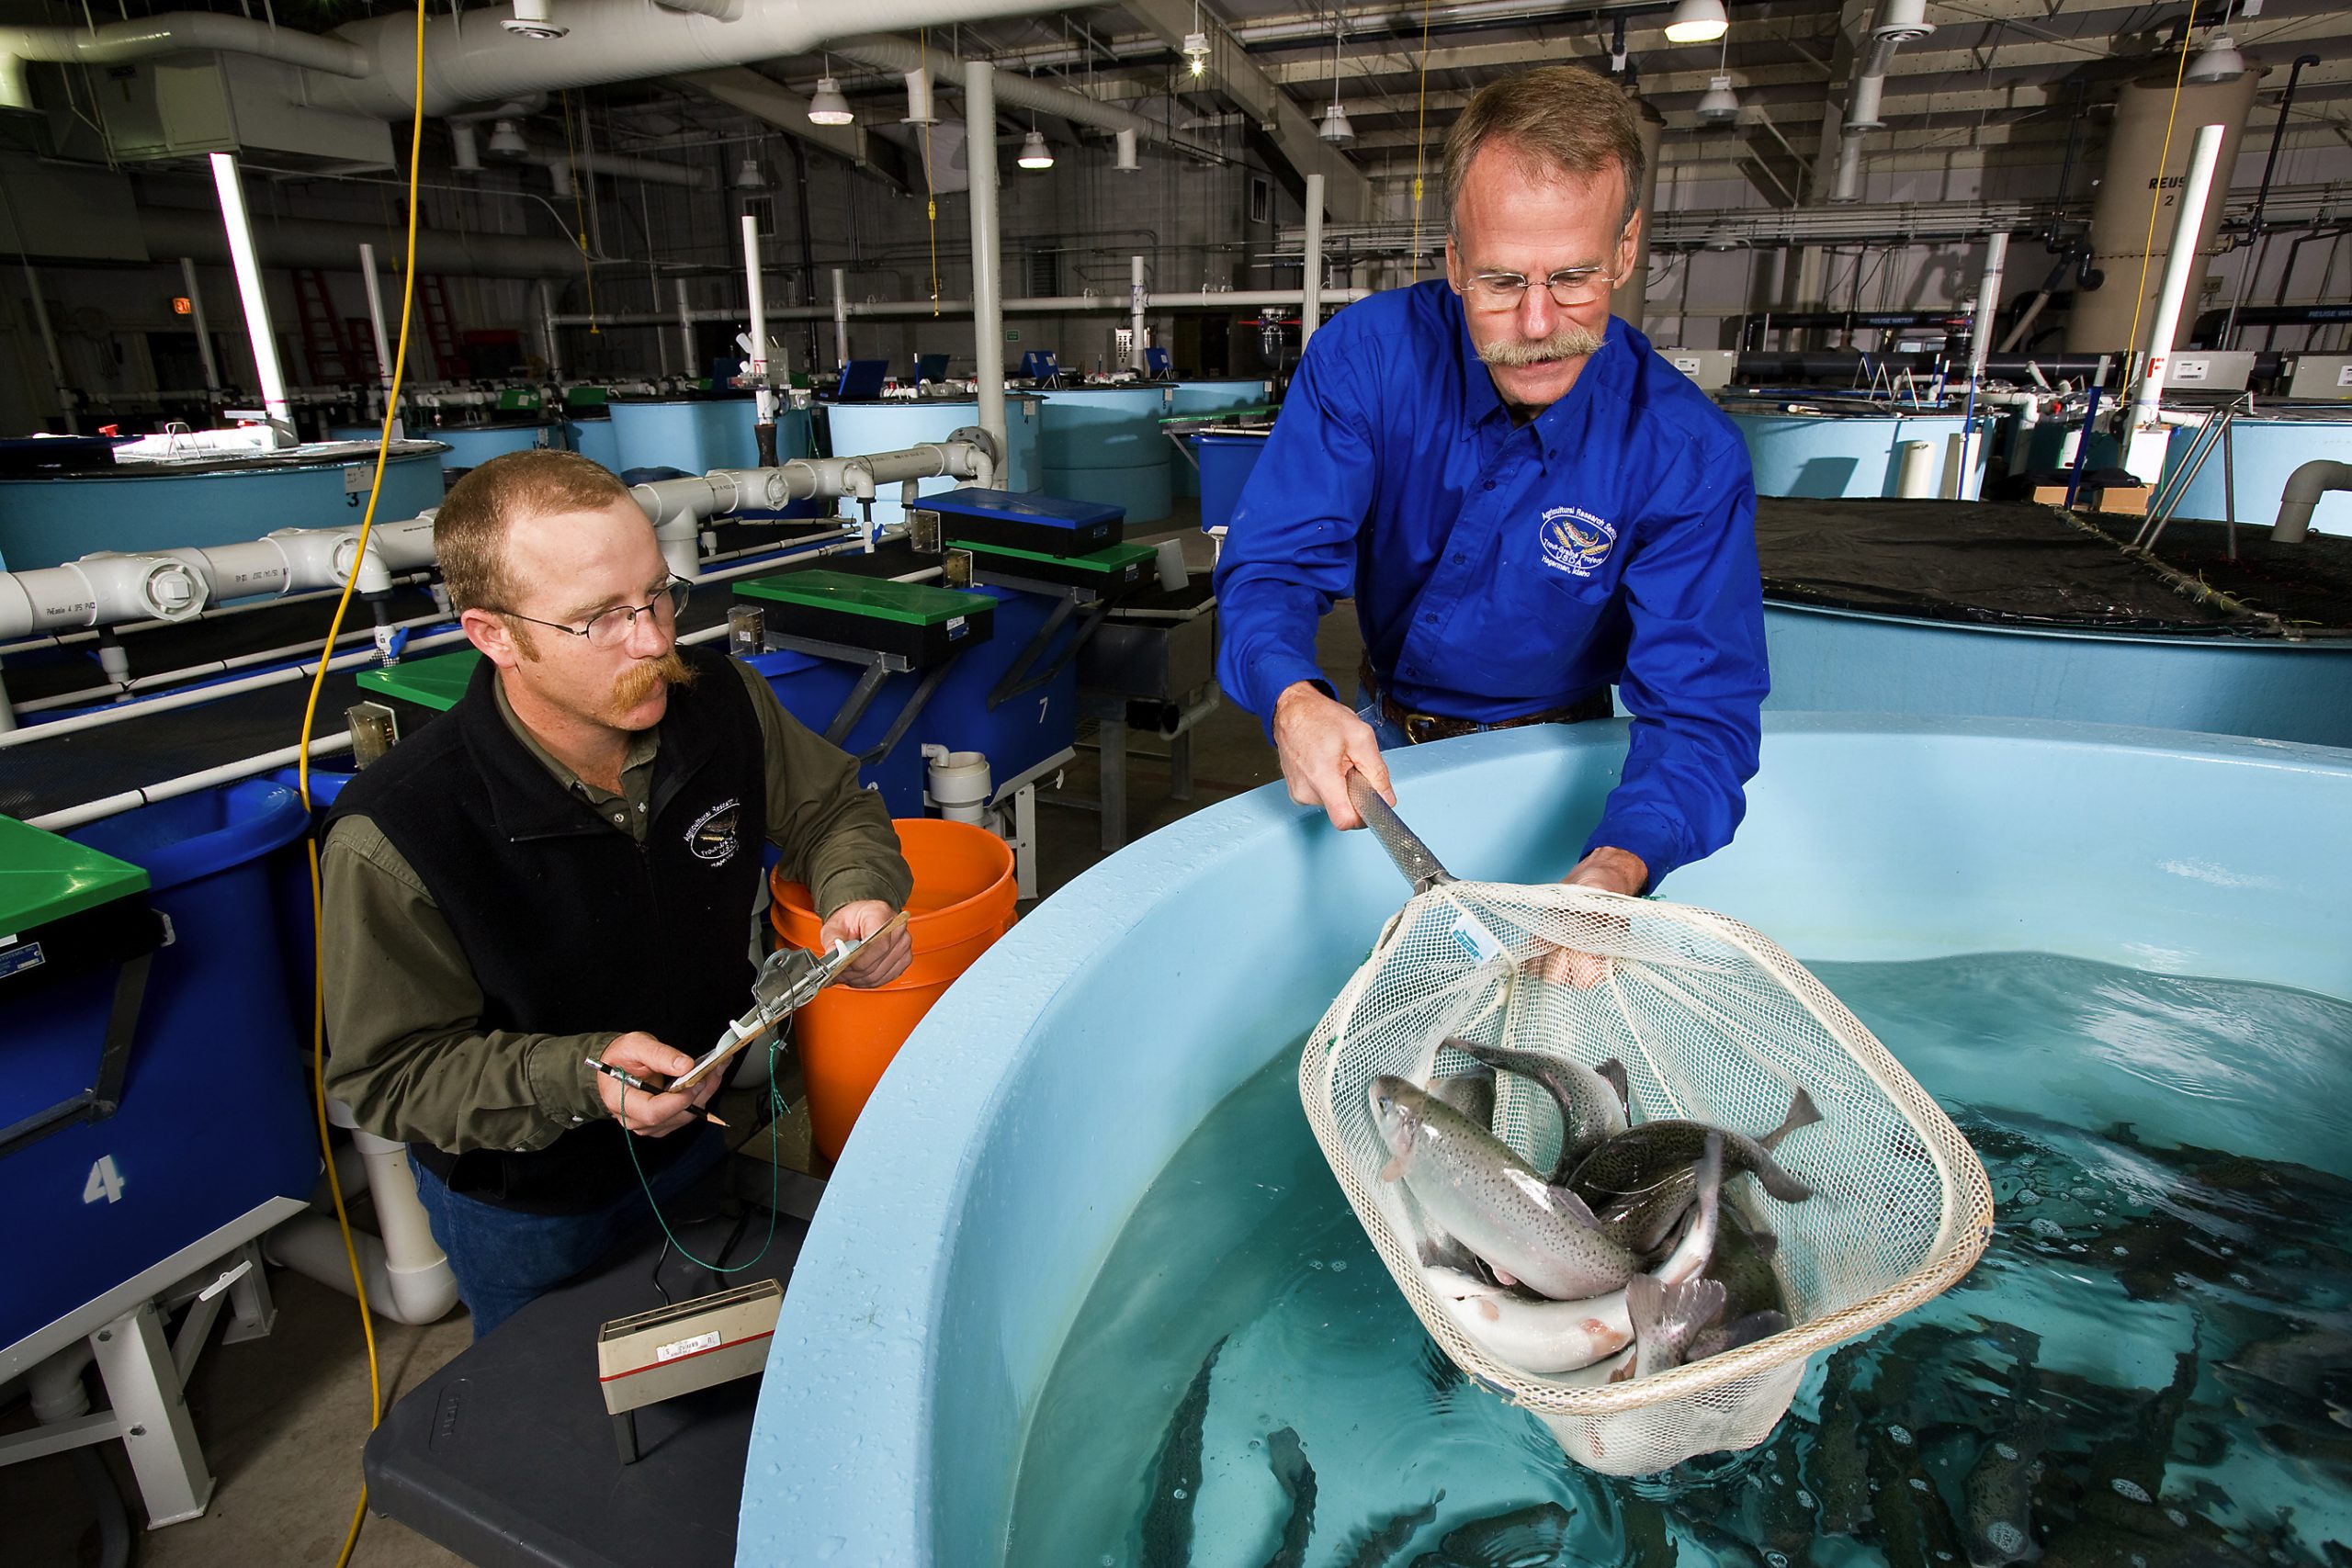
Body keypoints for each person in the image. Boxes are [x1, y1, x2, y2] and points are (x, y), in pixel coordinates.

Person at [321, 450, 913, 1336]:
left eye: (658, 595)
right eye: (598, 619)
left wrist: (857, 895)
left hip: (697, 1140)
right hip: (530, 1205)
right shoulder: (399, 833)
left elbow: (833, 809)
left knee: (706, 1360)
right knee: (555, 1425)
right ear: (493, 635)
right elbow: (389, 1074)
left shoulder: (726, 706)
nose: (653, 640)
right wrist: (583, 1077)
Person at [1215, 65, 1768, 902]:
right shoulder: (1367, 359)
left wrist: (1620, 863)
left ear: (1625, 252)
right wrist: (1292, 697)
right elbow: (1273, 566)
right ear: (1455, 260)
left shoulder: (1685, 452)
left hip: (1564, 771)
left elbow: (1701, 711)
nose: (1538, 326)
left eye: (1574, 279)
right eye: (1503, 281)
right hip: (1380, 748)